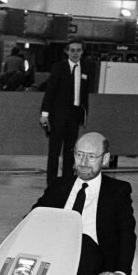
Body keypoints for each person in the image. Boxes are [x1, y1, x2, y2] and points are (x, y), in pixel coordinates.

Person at [32, 132, 135, 275]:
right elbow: (35, 216)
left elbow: (127, 233)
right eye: (79, 155)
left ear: (105, 159)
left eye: (91, 156)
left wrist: (120, 272)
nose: (84, 162)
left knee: (83, 242)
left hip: (94, 255)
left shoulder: (118, 191)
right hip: (54, 251)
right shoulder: (59, 185)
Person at [39, 39, 91, 182]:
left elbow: (85, 94)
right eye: (72, 50)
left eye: (78, 50)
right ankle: (52, 183)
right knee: (54, 151)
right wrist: (44, 115)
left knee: (70, 151)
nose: (75, 53)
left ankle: (67, 181)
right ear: (67, 51)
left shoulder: (86, 68)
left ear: (82, 51)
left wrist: (84, 114)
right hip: (58, 116)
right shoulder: (58, 67)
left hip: (75, 117)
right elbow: (50, 91)